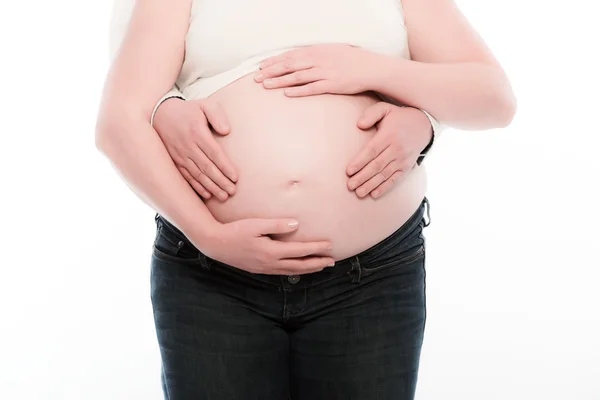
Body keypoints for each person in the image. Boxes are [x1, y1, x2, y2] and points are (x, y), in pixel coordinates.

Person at [96, 0, 516, 398]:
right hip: (212, 276)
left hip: (369, 278)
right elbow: (119, 123)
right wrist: (209, 235)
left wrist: (377, 74)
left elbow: (494, 98)